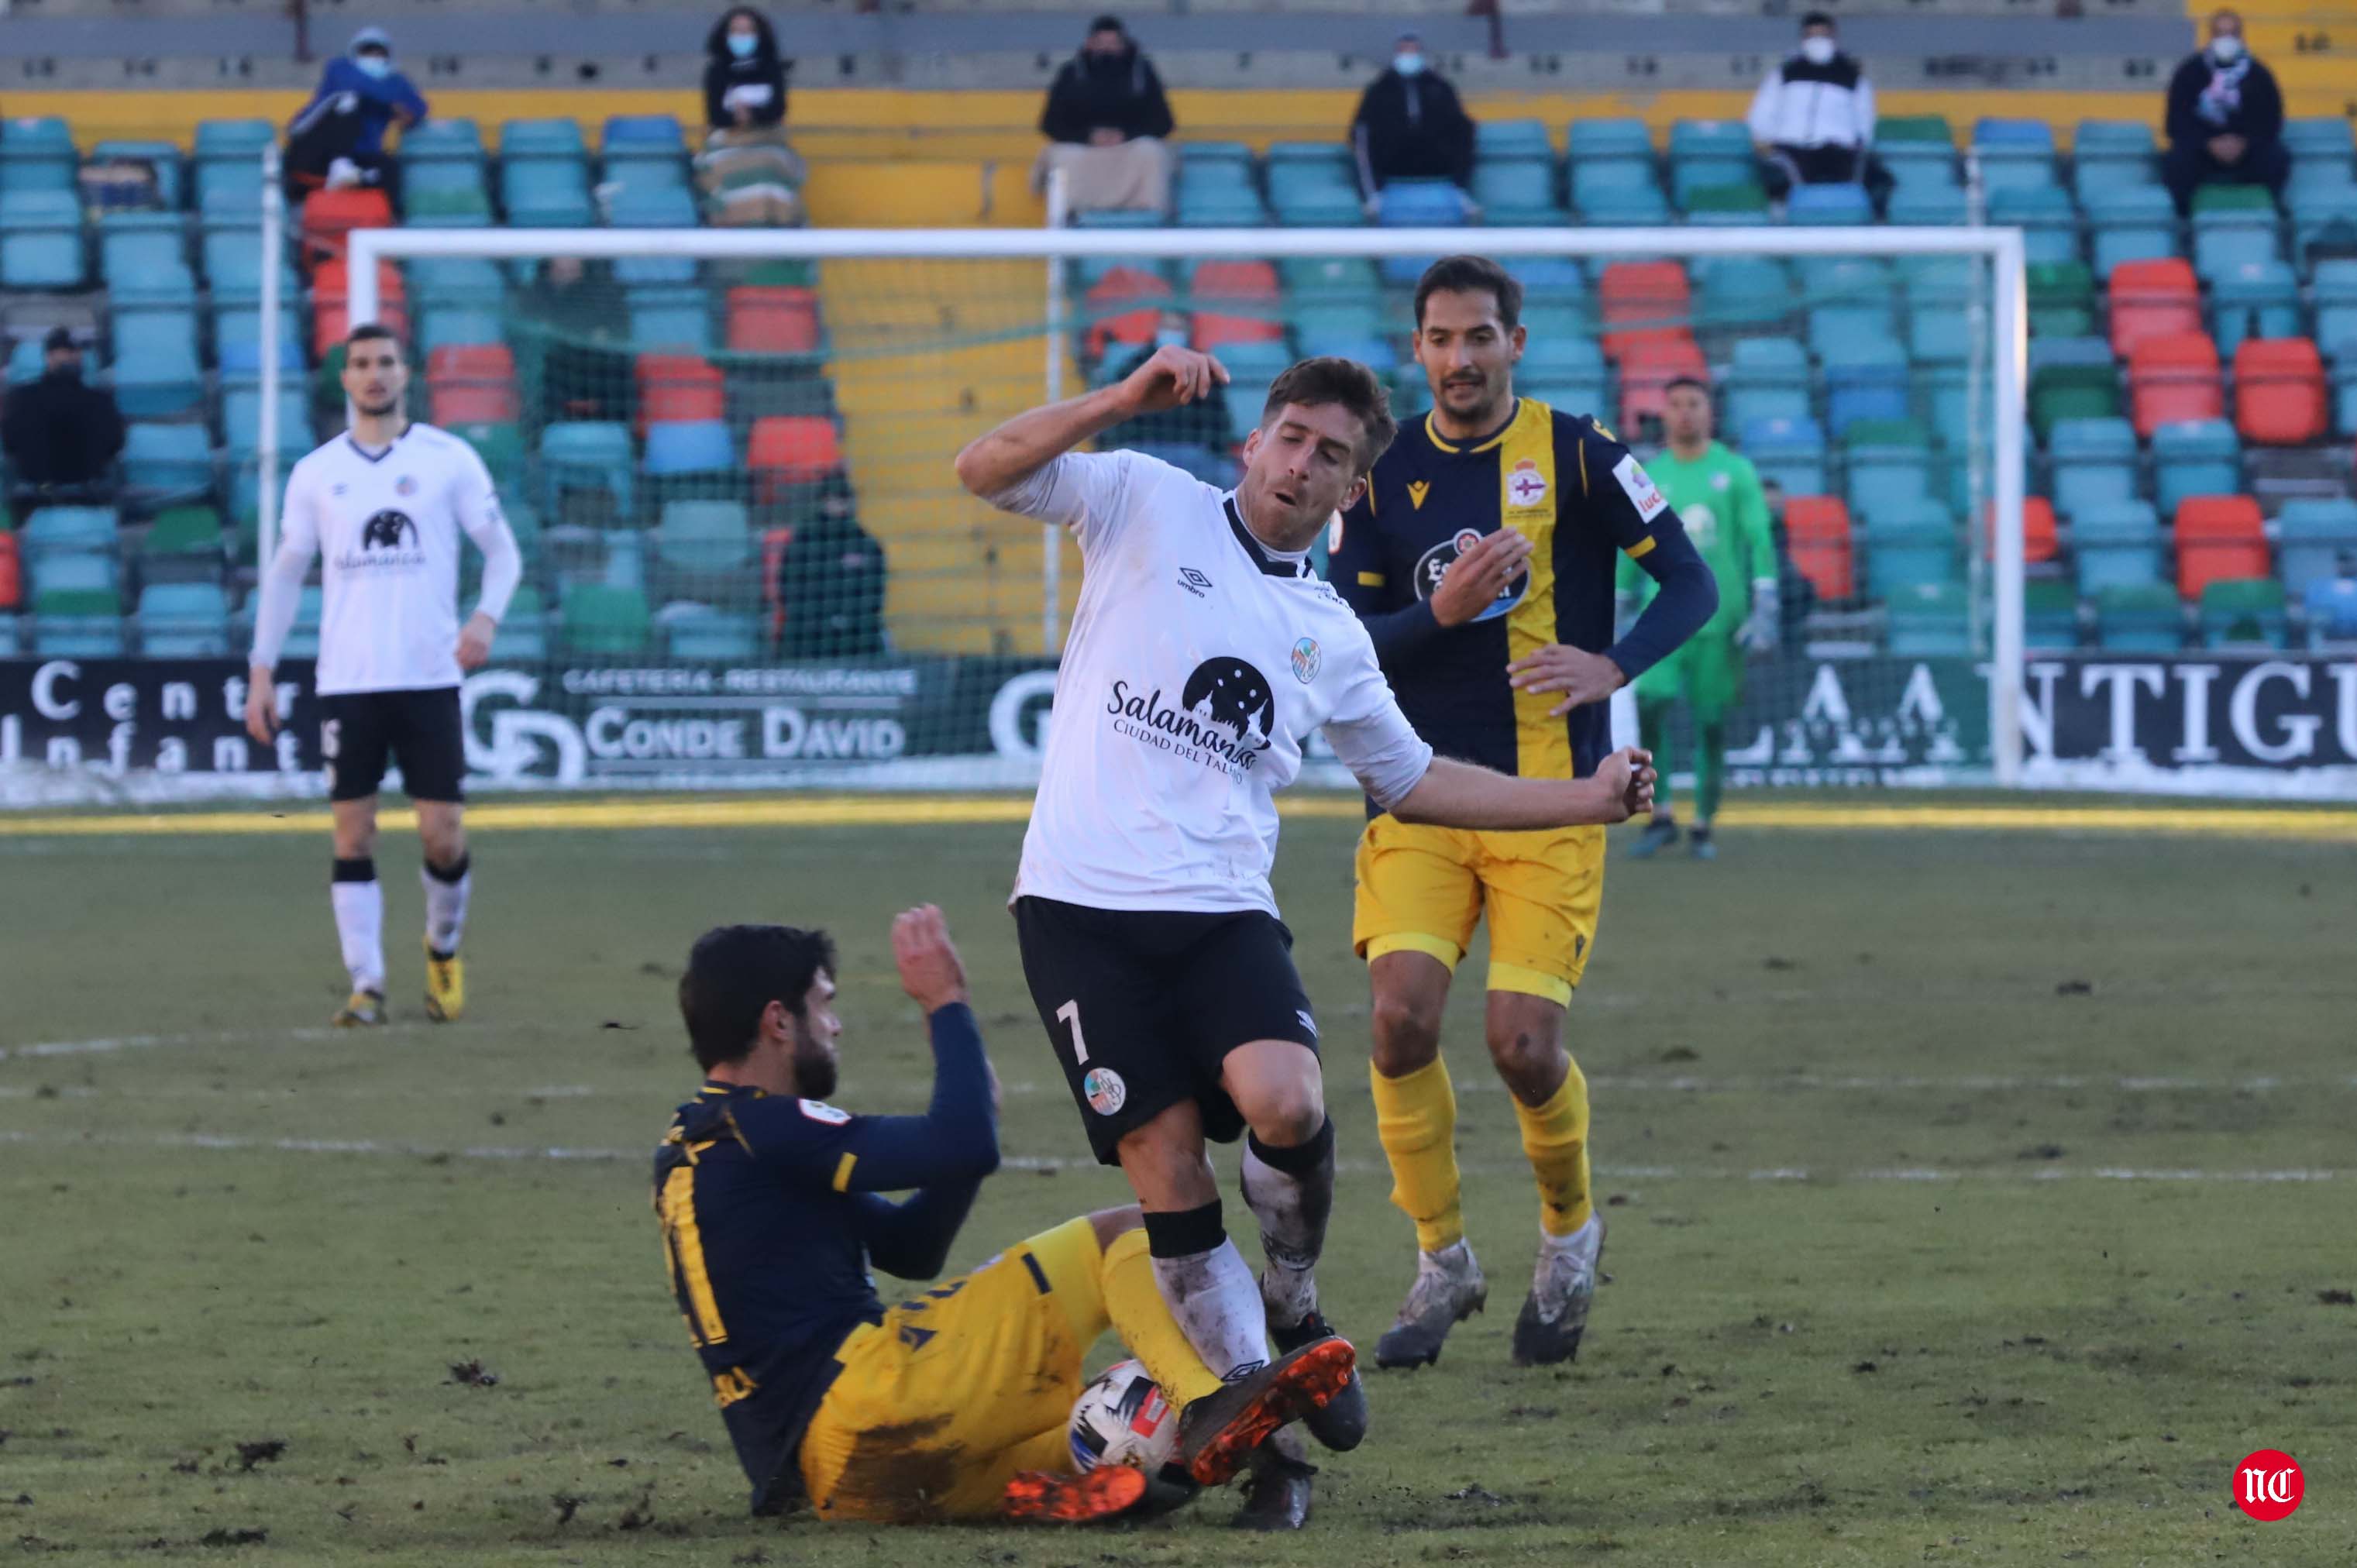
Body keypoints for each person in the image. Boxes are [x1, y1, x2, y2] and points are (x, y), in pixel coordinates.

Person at [955, 348, 1658, 1526]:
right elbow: (983, 467)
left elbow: (1418, 779)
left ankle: (1292, 1300)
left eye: (1330, 455)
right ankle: (1273, 1449)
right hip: (1078, 907)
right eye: (1289, 437)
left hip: (1220, 906)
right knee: (1169, 1174)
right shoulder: (1139, 497)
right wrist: (1122, 397)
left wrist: (1586, 799)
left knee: (1288, 1105)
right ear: (1253, 443)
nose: (1301, 462)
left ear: (1351, 493)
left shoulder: (1328, 628)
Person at [654, 907, 1359, 1525]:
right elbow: (959, 1140)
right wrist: (947, 1004)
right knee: (1127, 1233)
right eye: (824, 1005)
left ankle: (1121, 1474)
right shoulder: (766, 1127)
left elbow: (911, 1247)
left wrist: (970, 1138)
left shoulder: (700, 1145)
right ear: (778, 1021)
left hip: (840, 1476)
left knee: (1104, 1428)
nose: (834, 1026)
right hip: (872, 1398)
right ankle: (1212, 1400)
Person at [1327, 256, 1717, 1371]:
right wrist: (1440, 612)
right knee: (1398, 1019)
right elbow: (1349, 646)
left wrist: (1613, 663)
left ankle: (1566, 1235)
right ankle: (1440, 1260)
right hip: (1416, 791)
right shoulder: (1377, 471)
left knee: (1519, 1044)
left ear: (1516, 342)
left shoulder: (1581, 454)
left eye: (1480, 337)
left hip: (1550, 800)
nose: (1460, 359)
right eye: (1441, 340)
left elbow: (1689, 581)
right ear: (1418, 350)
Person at [243, 324, 521, 1028]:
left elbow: (502, 553)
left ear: (407, 373)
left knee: (442, 833)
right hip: (349, 681)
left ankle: (443, 947)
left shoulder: (446, 459)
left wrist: (484, 618)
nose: (373, 374)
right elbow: (284, 573)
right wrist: (262, 669)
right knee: (353, 834)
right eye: (360, 363)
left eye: (386, 362)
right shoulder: (316, 472)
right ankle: (367, 984)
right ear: (344, 378)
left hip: (429, 677)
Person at [1619, 378, 1777, 861]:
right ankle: (1661, 814)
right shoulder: (1649, 474)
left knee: (1711, 723)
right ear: (1664, 415)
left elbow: (1758, 538)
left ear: (1710, 413)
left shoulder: (1735, 471)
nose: (1685, 413)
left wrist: (1765, 599)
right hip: (1660, 617)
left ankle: (1703, 824)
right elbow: (1631, 539)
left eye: (1694, 404)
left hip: (1718, 618)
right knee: (1651, 705)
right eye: (1676, 405)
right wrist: (1622, 598)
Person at [1034, 15, 1175, 215]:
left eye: (1113, 43)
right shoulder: (1070, 73)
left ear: (1124, 45)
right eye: (1101, 43)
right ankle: (1073, 215)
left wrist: (1125, 136)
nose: (1107, 49)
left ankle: (1148, 216)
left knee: (1152, 152)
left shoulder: (1143, 73)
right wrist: (1090, 137)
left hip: (1130, 146)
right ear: (1089, 44)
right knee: (1064, 156)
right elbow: (1050, 123)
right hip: (1084, 147)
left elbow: (1164, 123)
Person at [2164, 9, 2288, 215]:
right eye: (2220, 34)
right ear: (2210, 37)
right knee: (2177, 162)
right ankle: (2183, 223)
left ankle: (2270, 217)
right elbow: (2176, 122)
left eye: (2232, 33)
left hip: (2248, 150)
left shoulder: (2259, 74)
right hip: (2202, 150)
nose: (2226, 40)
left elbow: (2271, 121)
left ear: (2241, 37)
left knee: (2276, 159)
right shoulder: (2189, 71)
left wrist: (2243, 142)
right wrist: (2209, 143)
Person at [1746, 12, 1879, 203]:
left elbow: (1865, 118)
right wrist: (1766, 139)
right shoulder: (1785, 73)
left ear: (1834, 38)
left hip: (1838, 149)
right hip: (1791, 147)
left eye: (1823, 36)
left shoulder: (1852, 77)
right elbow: (1763, 111)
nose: (1817, 41)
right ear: (1803, 39)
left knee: (1859, 178)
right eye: (1811, 36)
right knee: (1778, 178)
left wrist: (1859, 141)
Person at [284, 26, 427, 201]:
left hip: (359, 158)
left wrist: (408, 114)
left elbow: (419, 107)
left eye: (379, 53)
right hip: (312, 150)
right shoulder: (339, 68)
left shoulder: (394, 80)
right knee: (348, 100)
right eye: (366, 52)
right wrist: (391, 103)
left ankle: (391, 222)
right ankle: (340, 164)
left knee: (388, 169)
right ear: (354, 53)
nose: (373, 58)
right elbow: (355, 85)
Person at [2, 327, 124, 528]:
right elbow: (115, 444)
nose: (72, 356)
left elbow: (9, 444)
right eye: (66, 351)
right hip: (83, 500)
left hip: (47, 501)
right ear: (49, 356)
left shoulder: (23, 399)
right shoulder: (99, 400)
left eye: (74, 352)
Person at [1351, 30, 1478, 206]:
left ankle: (1461, 192)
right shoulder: (1379, 90)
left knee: (1465, 128)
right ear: (1397, 55)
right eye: (1404, 51)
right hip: (1392, 161)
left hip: (1436, 160)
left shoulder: (1440, 87)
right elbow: (1361, 130)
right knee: (1362, 133)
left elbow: (1459, 126)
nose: (1409, 56)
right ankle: (1373, 197)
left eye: (1413, 51)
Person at [704, 7, 788, 133]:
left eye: (747, 31)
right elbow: (715, 114)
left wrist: (751, 114)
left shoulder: (772, 67)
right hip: (727, 138)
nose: (742, 36)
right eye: (736, 31)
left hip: (767, 137)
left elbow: (778, 109)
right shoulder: (717, 70)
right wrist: (736, 118)